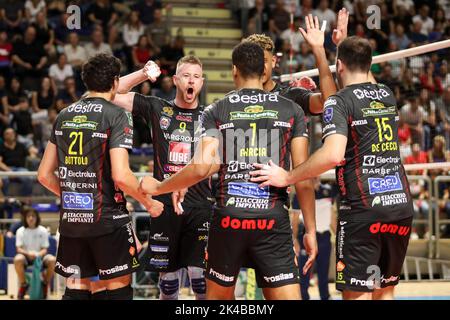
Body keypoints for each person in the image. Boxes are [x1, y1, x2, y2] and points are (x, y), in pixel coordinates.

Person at [139, 39, 322, 300]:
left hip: (228, 218)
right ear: (265, 70)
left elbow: (202, 166)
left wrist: (160, 186)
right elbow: (304, 178)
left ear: (234, 70)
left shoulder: (217, 108)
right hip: (272, 220)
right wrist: (311, 232)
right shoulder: (291, 109)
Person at [250, 36, 414, 300]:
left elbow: (332, 150)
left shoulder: (324, 99)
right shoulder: (386, 93)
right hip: (399, 205)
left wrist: (288, 176)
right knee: (385, 291)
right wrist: (336, 46)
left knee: (357, 293)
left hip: (363, 209)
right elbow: (356, 83)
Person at [37, 53, 164, 300]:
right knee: (117, 289)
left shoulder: (64, 114)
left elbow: (43, 174)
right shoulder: (115, 115)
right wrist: (148, 202)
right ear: (115, 82)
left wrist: (77, 197)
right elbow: (121, 176)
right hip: (107, 220)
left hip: (73, 221)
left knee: (77, 289)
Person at [112, 56, 213, 300]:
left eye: (196, 77)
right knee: (168, 287)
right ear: (176, 80)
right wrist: (143, 74)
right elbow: (110, 94)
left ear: (202, 82)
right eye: (186, 76)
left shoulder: (212, 115)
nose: (191, 81)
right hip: (163, 207)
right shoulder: (158, 108)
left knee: (201, 283)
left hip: (200, 207)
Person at [244, 8, 349, 116]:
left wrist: (319, 49)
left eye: (264, 61)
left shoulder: (291, 95)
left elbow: (329, 103)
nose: (259, 67)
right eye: (252, 61)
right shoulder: (230, 102)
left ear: (273, 61)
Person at [291, 177, 337, 300]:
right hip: (306, 236)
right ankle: (303, 297)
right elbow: (295, 218)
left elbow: (331, 214)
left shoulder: (329, 190)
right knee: (304, 270)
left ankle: (325, 296)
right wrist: (294, 239)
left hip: (324, 236)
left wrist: (337, 235)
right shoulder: (300, 193)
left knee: (324, 270)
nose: (314, 177)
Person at [14, 206, 56, 299]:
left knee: (52, 260)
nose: (31, 218)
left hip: (40, 257)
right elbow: (19, 249)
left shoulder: (43, 230)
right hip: (26, 257)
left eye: (33, 216)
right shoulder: (20, 231)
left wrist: (38, 255)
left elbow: (45, 249)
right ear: (25, 218)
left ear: (37, 218)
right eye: (28, 216)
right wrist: (29, 254)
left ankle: (45, 283)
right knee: (17, 259)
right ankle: (24, 284)